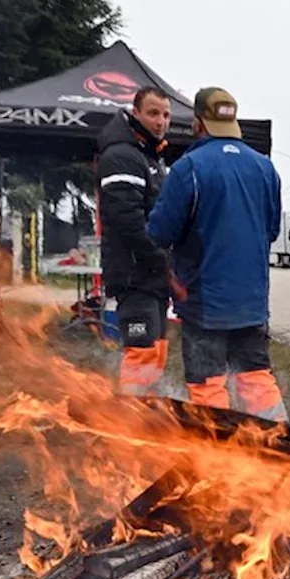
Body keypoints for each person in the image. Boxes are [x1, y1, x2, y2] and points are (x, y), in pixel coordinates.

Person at [146, 87, 287, 422]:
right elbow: (270, 232)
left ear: (197, 123)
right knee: (256, 378)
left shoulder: (189, 168)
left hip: (203, 299)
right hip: (252, 300)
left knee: (208, 384)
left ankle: (217, 458)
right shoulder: (265, 169)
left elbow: (159, 233)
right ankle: (277, 449)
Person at [97, 86, 172, 397]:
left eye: (166, 115)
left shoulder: (150, 157)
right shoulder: (122, 155)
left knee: (157, 352)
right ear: (136, 112)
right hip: (134, 277)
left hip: (154, 278)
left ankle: (148, 417)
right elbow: (127, 219)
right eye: (153, 113)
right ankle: (129, 423)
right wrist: (162, 259)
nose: (161, 121)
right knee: (140, 353)